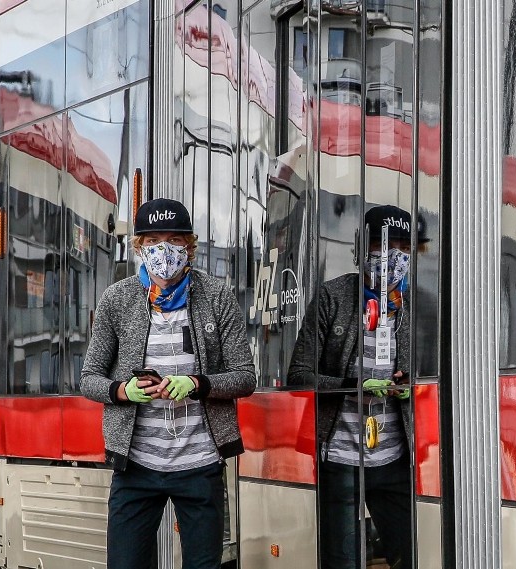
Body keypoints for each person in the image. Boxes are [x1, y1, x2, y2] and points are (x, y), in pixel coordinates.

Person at [80, 198, 256, 569]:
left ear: (189, 246)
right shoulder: (118, 299)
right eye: (154, 241)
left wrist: (196, 383)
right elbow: (89, 378)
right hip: (136, 467)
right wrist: (122, 392)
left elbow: (245, 376)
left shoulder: (217, 296)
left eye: (175, 241)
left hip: (200, 464)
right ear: (140, 248)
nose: (165, 251)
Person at [288, 204, 427, 569]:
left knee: (411, 555)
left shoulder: (414, 307)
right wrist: (353, 385)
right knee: (343, 559)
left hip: (395, 459)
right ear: (361, 249)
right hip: (341, 459)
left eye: (401, 248)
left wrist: (409, 385)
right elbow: (299, 374)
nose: (392, 258)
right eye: (382, 247)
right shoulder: (334, 297)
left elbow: (428, 375)